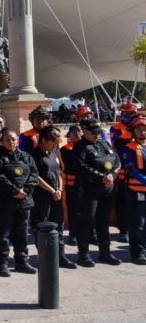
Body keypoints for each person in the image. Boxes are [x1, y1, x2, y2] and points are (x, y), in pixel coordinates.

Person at [71, 118, 121, 267]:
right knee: (87, 221)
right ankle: (83, 255)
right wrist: (102, 177)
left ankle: (105, 253)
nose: (96, 135)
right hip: (88, 190)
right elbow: (80, 167)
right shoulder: (80, 147)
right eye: (93, 133)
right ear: (84, 131)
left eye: (98, 132)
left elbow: (117, 161)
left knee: (103, 222)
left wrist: (112, 174)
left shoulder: (104, 144)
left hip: (107, 189)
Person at [0, 128, 39, 276]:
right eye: (7, 140)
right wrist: (14, 190)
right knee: (4, 235)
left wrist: (25, 190)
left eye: (13, 139)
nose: (11, 142)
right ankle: (2, 264)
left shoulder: (26, 156)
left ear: (18, 140)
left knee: (22, 234)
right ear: (2, 142)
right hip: (7, 202)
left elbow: (34, 174)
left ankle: (22, 262)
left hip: (24, 201)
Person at [31, 126, 77, 269]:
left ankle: (60, 256)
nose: (56, 145)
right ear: (43, 140)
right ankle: (44, 258)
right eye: (53, 142)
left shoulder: (53, 154)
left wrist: (59, 189)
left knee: (59, 227)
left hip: (56, 196)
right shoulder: (34, 155)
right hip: (41, 197)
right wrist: (51, 190)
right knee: (42, 228)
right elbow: (35, 176)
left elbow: (59, 173)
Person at [121, 115, 146, 264]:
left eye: (145, 130)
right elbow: (131, 169)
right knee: (138, 222)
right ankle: (138, 252)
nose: (143, 133)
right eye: (140, 130)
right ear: (133, 131)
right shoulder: (128, 148)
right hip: (136, 191)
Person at [111, 101, 137, 243]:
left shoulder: (140, 126)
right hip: (122, 170)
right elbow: (117, 145)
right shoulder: (116, 128)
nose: (129, 115)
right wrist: (132, 132)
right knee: (122, 202)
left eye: (132, 113)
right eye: (126, 113)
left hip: (138, 170)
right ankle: (123, 231)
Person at [60, 124, 83, 246]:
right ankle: (73, 235)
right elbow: (70, 167)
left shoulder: (86, 147)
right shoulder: (65, 149)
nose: (78, 134)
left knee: (86, 211)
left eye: (80, 131)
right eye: (75, 132)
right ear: (70, 135)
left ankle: (89, 234)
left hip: (86, 184)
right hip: (72, 184)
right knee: (73, 211)